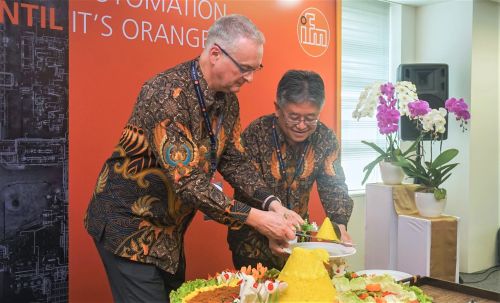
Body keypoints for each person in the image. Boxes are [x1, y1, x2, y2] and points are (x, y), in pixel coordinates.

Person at [84, 15, 302, 303]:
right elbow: (188, 183)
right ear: (215, 54)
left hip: (168, 234)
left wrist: (273, 204)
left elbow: (234, 161)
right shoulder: (165, 94)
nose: (250, 78)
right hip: (128, 226)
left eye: (255, 68)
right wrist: (258, 220)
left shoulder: (228, 101)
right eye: (244, 68)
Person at [227, 70, 354, 270]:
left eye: (311, 118)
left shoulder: (325, 138)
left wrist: (340, 225)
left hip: (297, 242)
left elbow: (334, 185)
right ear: (278, 108)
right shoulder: (257, 133)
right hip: (252, 243)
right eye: (294, 117)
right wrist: (272, 223)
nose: (302, 125)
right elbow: (246, 184)